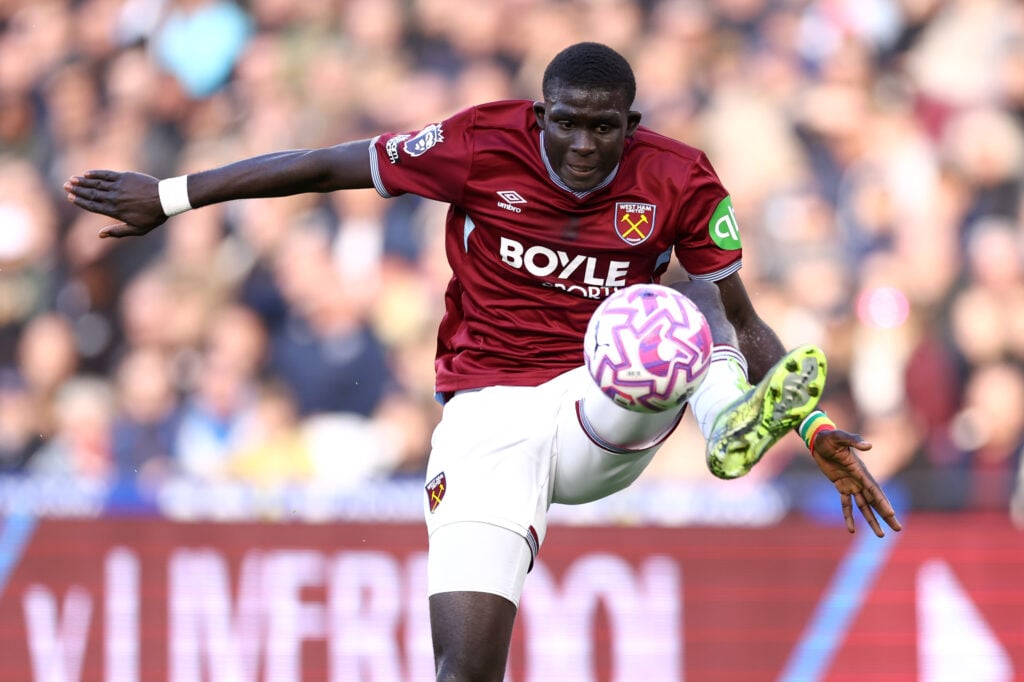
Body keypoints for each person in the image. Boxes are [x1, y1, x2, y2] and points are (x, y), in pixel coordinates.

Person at [66, 42, 901, 681]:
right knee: (463, 670)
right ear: (540, 115)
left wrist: (813, 427)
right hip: (486, 416)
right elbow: (326, 165)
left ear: (632, 124)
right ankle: (717, 413)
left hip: (604, 401)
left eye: (604, 127)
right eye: (566, 122)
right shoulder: (477, 143)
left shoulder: (676, 177)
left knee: (679, 303)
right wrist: (171, 195)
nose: (583, 143)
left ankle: (725, 424)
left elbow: (742, 318)